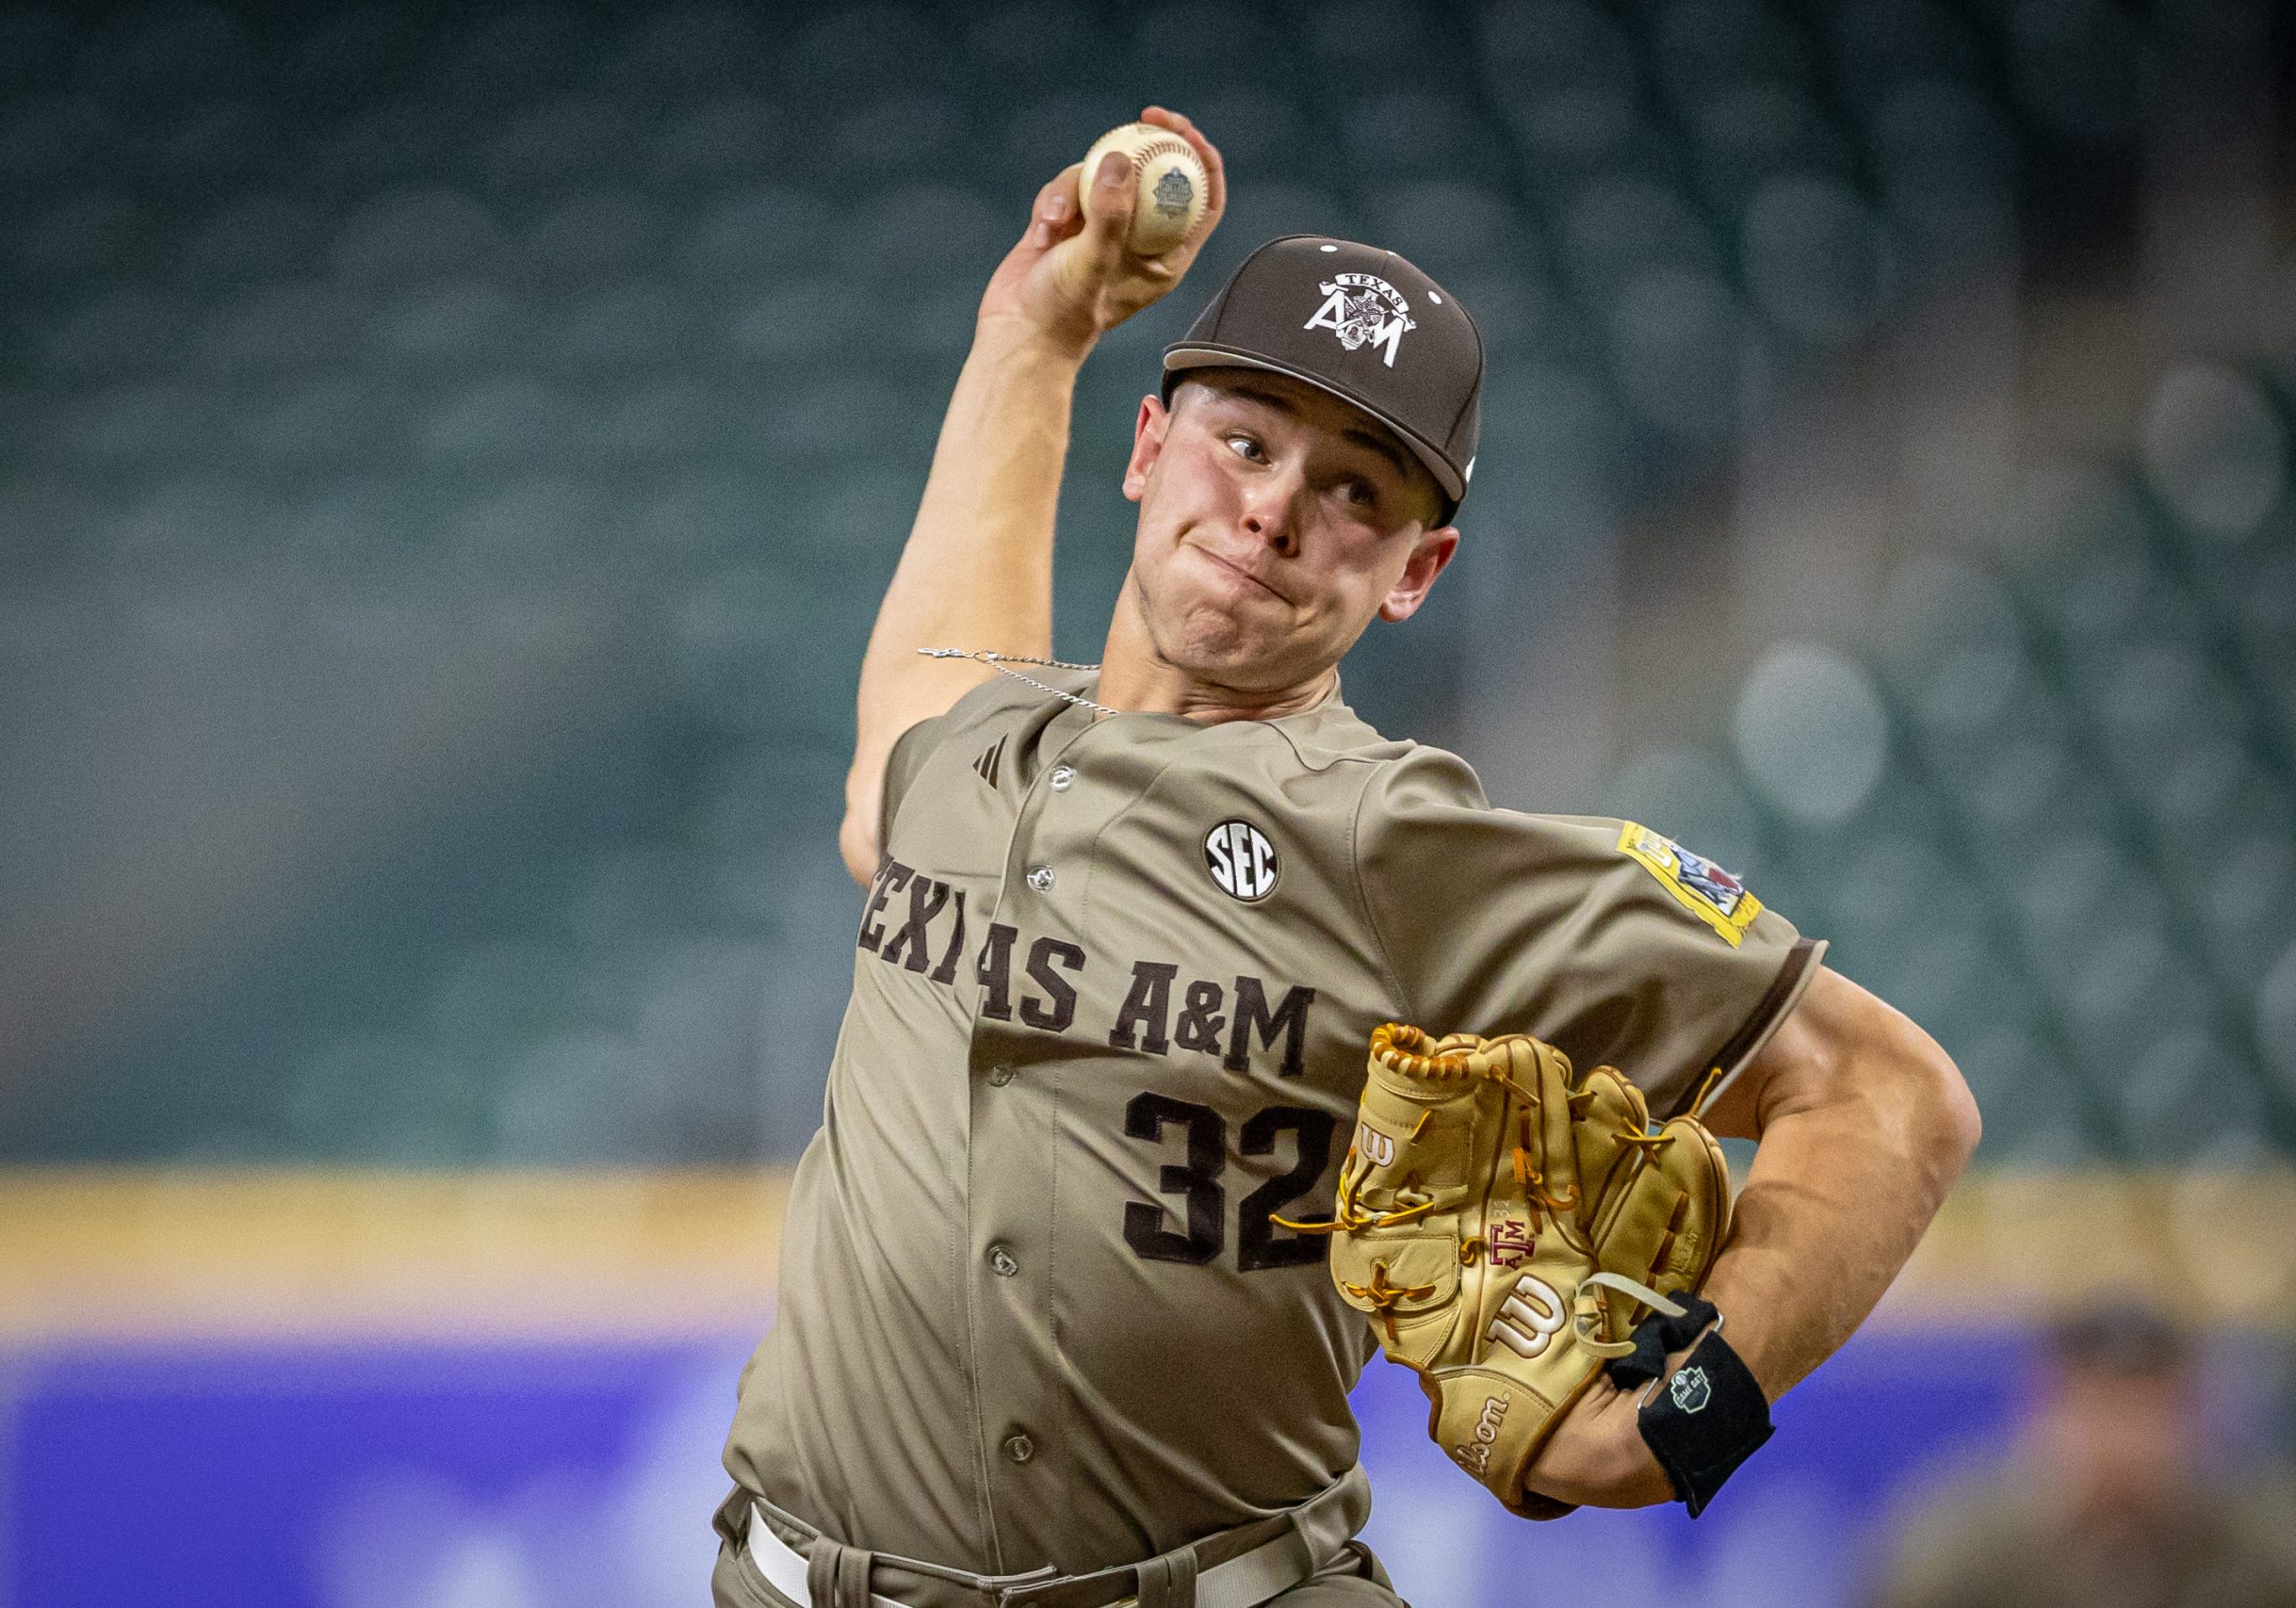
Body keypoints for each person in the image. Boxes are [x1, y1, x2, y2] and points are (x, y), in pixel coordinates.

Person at [710, 106, 1982, 1608]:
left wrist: (1678, 1427)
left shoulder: (1397, 839)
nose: (1269, 508)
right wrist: (1033, 333)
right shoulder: (967, 754)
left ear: (1414, 572)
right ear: (1149, 448)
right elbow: (911, 722)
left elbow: (1893, 1095)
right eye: (1244, 441)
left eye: (1354, 491)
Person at [1866, 1301, 2296, 1608]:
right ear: (2041, 1408)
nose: (2119, 1444)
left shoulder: (2263, 1557)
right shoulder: (1957, 1555)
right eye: (2096, 1410)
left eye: (2144, 1413)